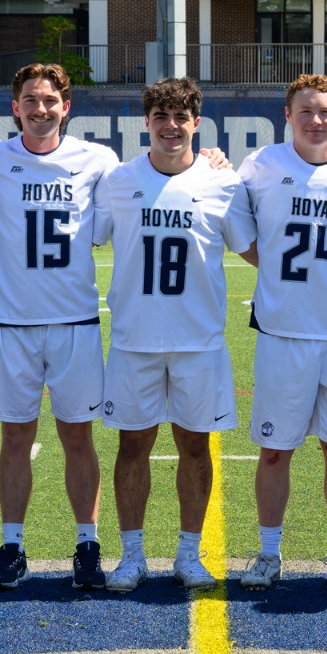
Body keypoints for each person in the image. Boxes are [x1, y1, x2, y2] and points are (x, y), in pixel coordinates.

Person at [96, 77, 256, 592]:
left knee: (195, 447)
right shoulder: (119, 180)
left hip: (199, 341)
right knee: (132, 447)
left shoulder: (221, 182)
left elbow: (255, 250)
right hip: (134, 339)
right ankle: (133, 554)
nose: (171, 126)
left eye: (180, 117)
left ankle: (189, 553)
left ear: (196, 123)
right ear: (147, 122)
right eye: (161, 117)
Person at [235, 74, 327, 592]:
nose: (316, 120)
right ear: (288, 115)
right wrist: (278, 272)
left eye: (326, 111)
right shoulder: (260, 167)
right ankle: (268, 552)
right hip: (284, 333)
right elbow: (243, 239)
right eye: (306, 111)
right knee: (275, 450)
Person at [0, 63, 118, 591]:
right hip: (10, 324)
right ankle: (12, 546)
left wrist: (212, 157)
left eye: (49, 100)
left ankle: (87, 544)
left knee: (78, 438)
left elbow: (159, 170)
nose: (40, 109)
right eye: (30, 100)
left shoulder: (96, 159)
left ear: (66, 107)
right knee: (16, 438)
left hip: (74, 322)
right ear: (15, 108)